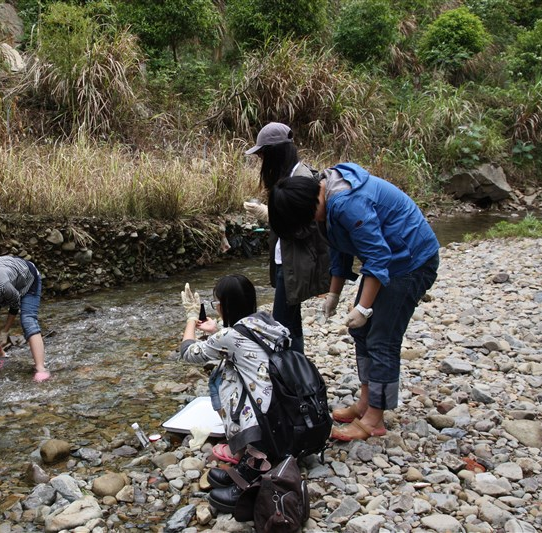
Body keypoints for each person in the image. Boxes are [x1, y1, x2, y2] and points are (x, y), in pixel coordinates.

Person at [268, 162, 439, 441]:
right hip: (389, 259)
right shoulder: (323, 198)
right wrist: (334, 293)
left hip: (411, 261)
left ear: (308, 209)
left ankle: (375, 418)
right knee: (360, 330)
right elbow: (339, 247)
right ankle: (365, 402)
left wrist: (363, 307)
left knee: (382, 338)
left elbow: (378, 257)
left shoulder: (348, 203)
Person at [178, 275, 289, 513]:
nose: (216, 306)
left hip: (264, 419)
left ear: (225, 305)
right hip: (283, 408)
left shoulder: (229, 336)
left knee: (221, 374)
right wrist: (216, 329)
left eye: (218, 301)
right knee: (228, 367)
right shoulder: (266, 322)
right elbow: (245, 345)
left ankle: (254, 458)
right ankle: (249, 449)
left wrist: (190, 317)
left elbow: (189, 353)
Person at [243, 122, 330, 354]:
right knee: (290, 323)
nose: (261, 160)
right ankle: (298, 372)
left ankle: (289, 375)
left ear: (275, 153)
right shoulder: (291, 174)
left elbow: (309, 224)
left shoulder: (301, 177)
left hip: (295, 262)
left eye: (263, 155)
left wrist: (269, 213)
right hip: (286, 259)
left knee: (281, 323)